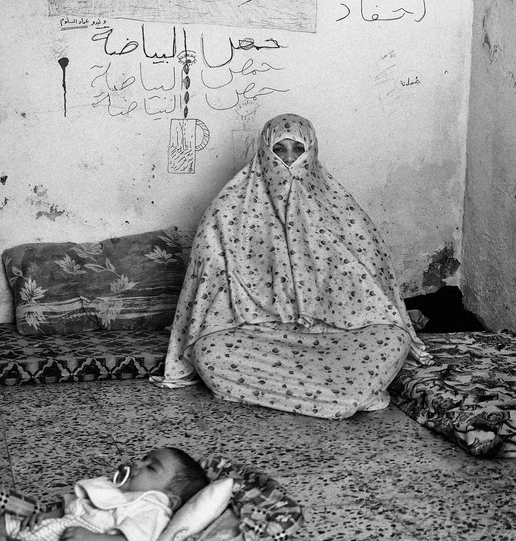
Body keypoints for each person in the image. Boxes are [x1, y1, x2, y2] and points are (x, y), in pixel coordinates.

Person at [153, 113, 427, 419]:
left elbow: (372, 274)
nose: (288, 160)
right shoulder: (229, 208)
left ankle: (328, 393)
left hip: (336, 332)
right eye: (279, 150)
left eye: (297, 150)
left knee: (393, 338)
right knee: (210, 352)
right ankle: (348, 396)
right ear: (264, 153)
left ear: (311, 152)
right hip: (258, 333)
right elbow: (207, 284)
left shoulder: (339, 207)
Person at [2, 447, 208, 541]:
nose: (138, 463)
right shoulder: (112, 489)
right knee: (6, 523)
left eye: (151, 467)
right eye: (144, 458)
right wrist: (45, 517)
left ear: (169, 500)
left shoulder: (152, 508)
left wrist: (92, 540)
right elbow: (73, 507)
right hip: (53, 526)